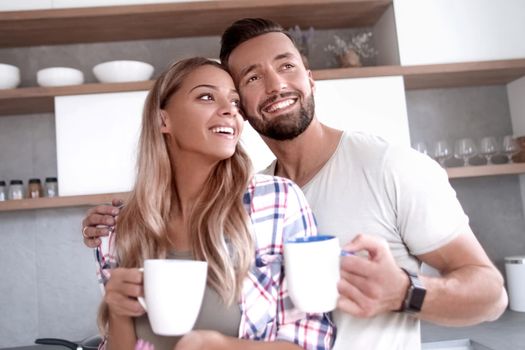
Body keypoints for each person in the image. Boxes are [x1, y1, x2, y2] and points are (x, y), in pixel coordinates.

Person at [83, 19, 508, 349]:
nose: (275, 84)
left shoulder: (388, 166)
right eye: (250, 79)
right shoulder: (256, 196)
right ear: (244, 110)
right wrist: (123, 223)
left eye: (286, 66)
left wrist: (405, 293)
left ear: (310, 78)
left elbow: (491, 296)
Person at [93, 57, 334, 350]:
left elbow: (312, 340)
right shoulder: (116, 229)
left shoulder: (275, 203)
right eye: (207, 97)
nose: (229, 111)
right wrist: (118, 313)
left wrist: (221, 346)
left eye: (234, 102)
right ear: (163, 120)